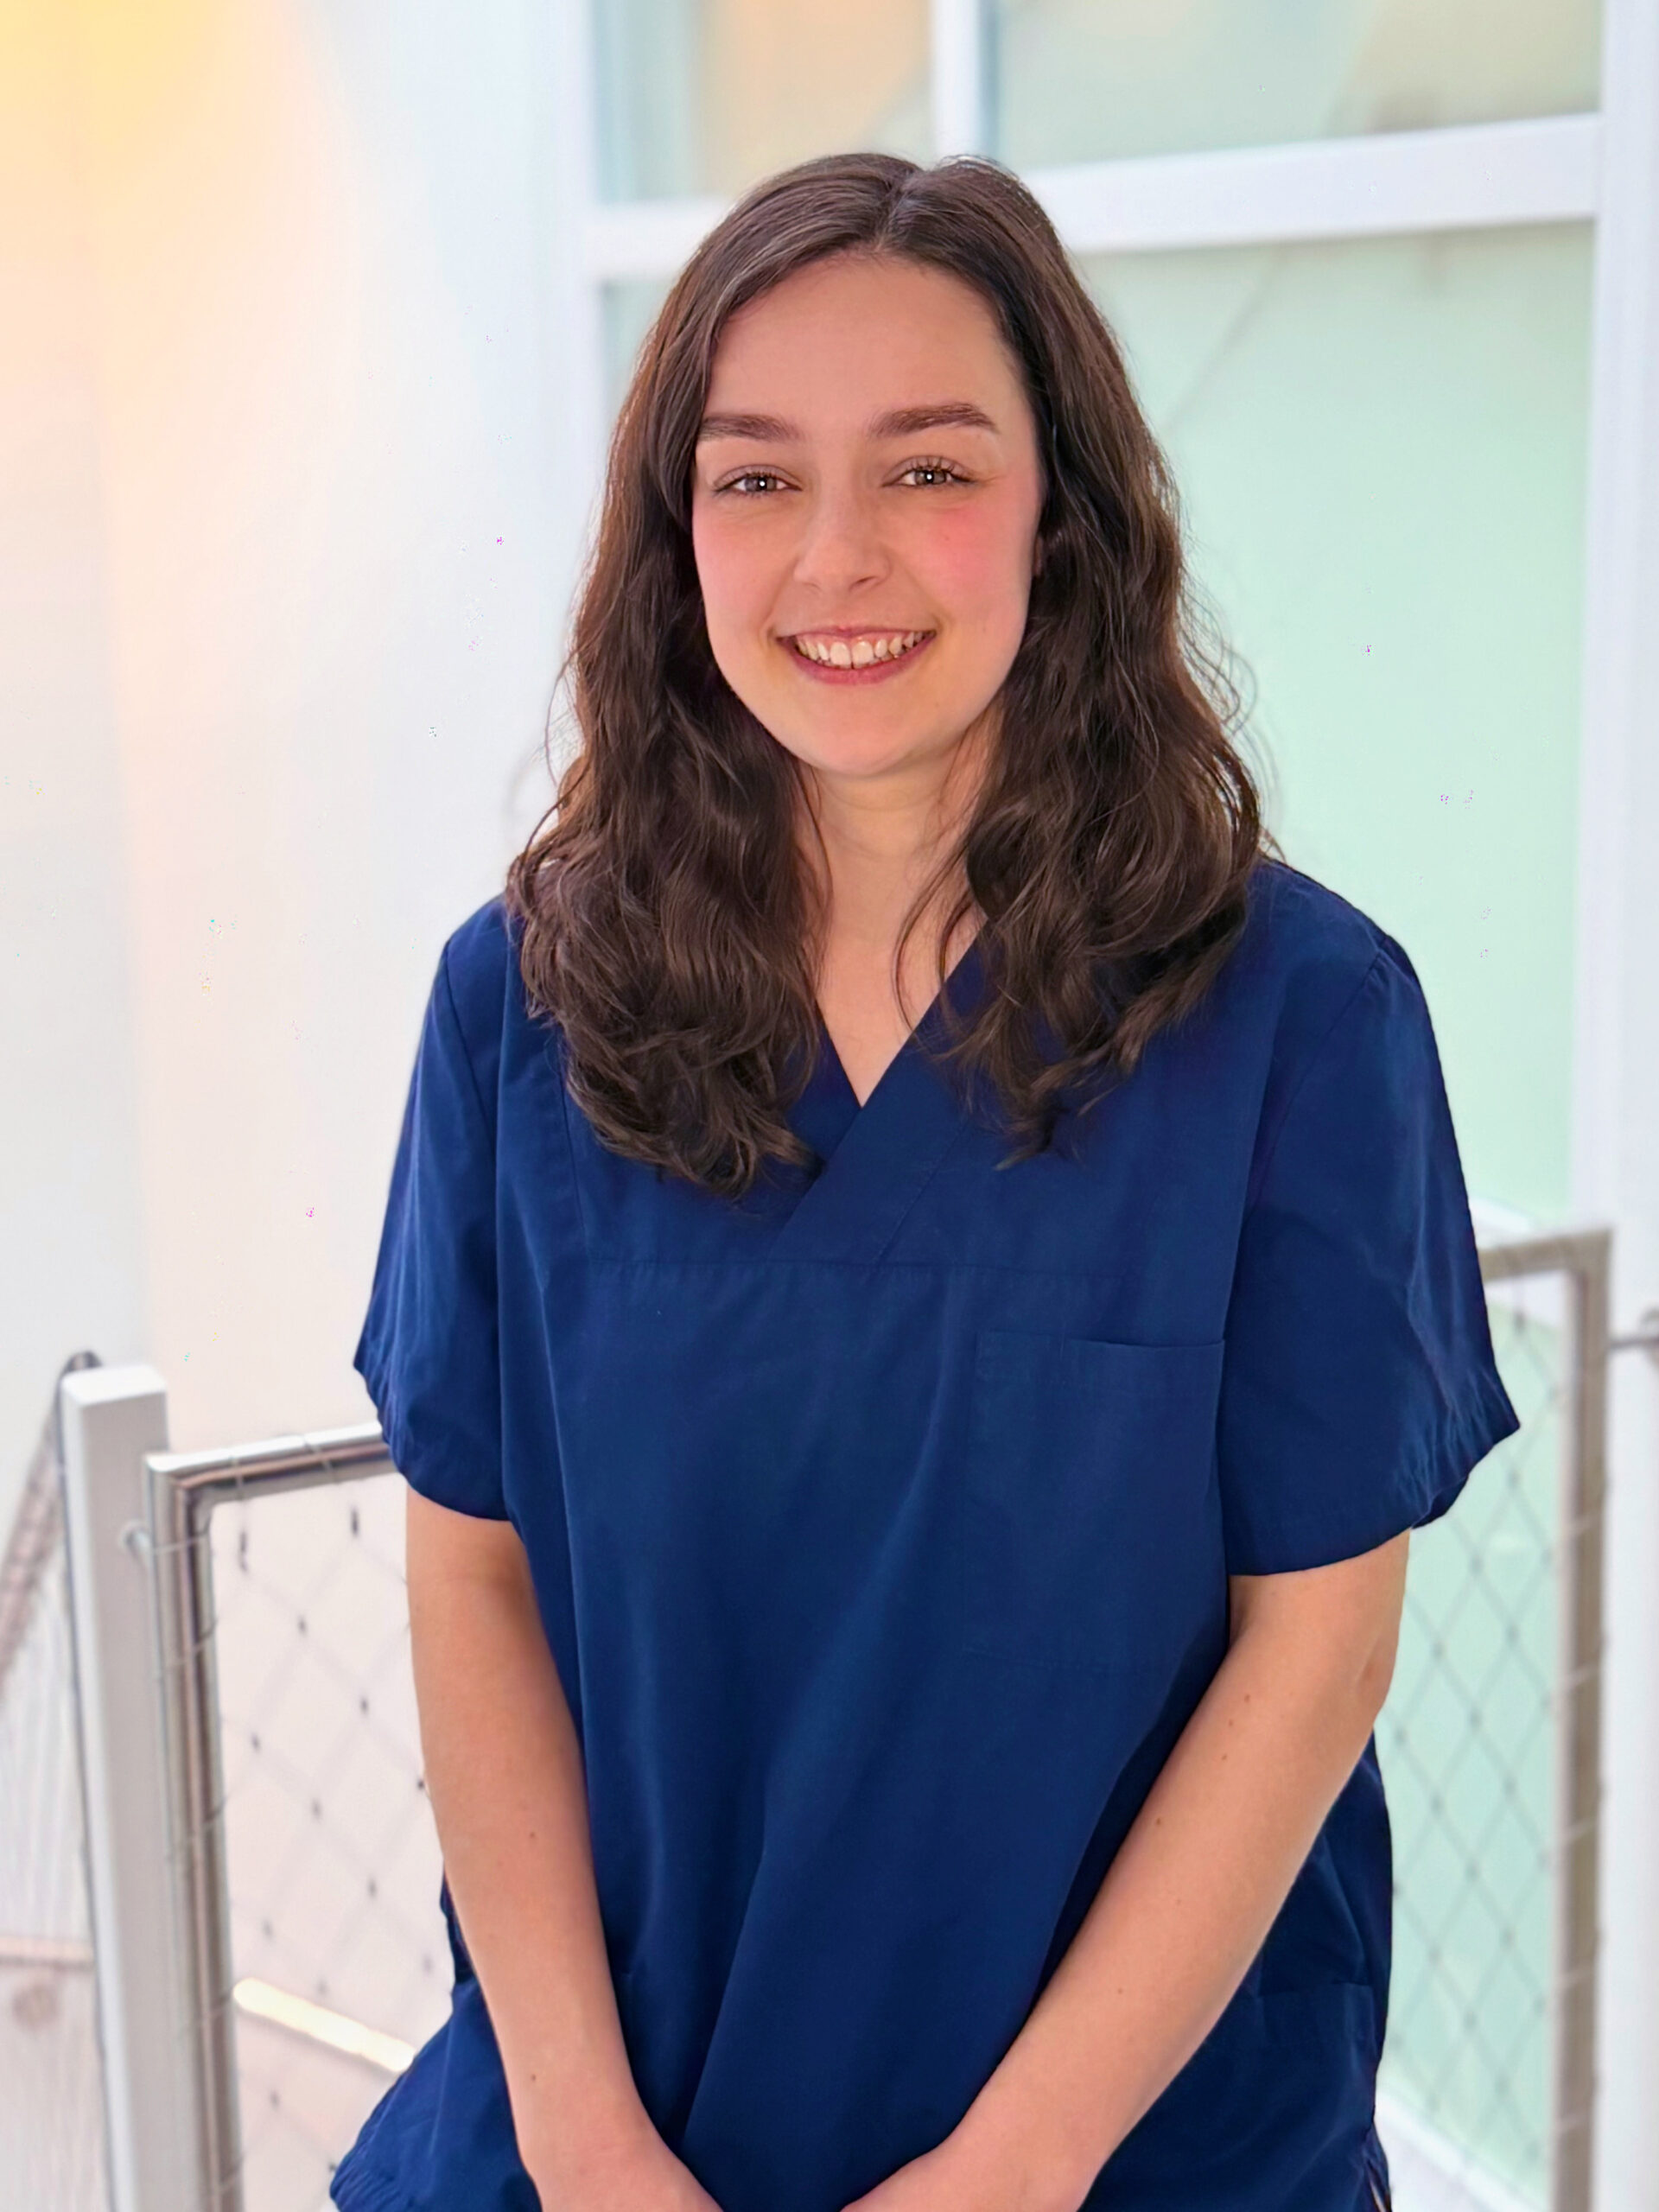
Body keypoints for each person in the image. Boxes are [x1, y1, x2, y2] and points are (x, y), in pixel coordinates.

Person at [332, 152, 1518, 2212]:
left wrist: (1017, 2165)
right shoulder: (518, 1009)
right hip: (617, 2134)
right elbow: (476, 1575)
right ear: (677, 533)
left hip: (1131, 2157)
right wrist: (586, 2138)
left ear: (1064, 510)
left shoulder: (1299, 1019)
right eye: (757, 476)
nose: (838, 556)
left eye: (929, 466)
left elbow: (1316, 1649)